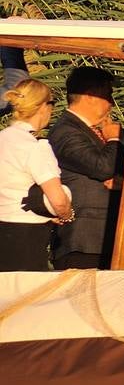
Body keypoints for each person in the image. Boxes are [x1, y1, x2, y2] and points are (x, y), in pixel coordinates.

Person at [48, 67, 124, 270]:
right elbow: (102, 168)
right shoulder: (66, 132)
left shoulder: (90, 130)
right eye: (107, 95)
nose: (111, 103)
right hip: (84, 241)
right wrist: (113, 138)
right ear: (90, 96)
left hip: (103, 239)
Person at [0, 79, 73, 271]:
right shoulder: (35, 147)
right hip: (26, 235)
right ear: (42, 107)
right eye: (52, 103)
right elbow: (58, 200)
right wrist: (66, 214)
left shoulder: (2, 139)